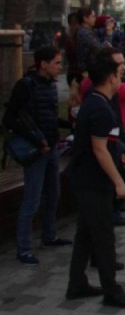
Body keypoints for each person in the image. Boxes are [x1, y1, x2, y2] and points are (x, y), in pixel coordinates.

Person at [66, 48, 125, 308]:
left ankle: (76, 284)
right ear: (110, 78)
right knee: (104, 237)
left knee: (86, 235)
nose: (122, 77)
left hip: (86, 179)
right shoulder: (100, 108)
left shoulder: (97, 103)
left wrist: (118, 150)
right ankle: (112, 290)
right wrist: (119, 183)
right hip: (93, 182)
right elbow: (98, 150)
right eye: (120, 73)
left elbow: (103, 144)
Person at [2, 46, 73, 266]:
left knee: (53, 193)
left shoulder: (50, 86)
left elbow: (49, 117)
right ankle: (23, 249)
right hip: (36, 151)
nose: (60, 67)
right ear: (43, 64)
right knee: (31, 199)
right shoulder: (26, 85)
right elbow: (9, 120)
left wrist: (70, 125)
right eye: (57, 63)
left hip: (51, 147)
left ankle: (49, 235)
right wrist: (36, 140)